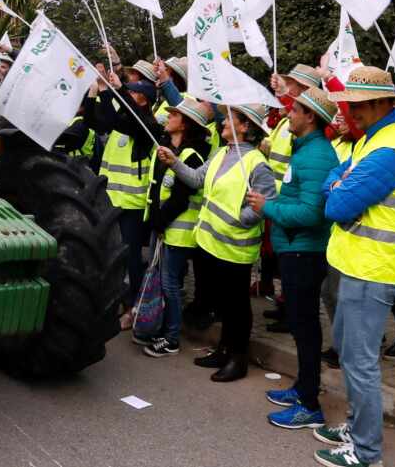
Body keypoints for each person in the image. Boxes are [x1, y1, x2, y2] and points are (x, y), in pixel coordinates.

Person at [311, 67, 395, 467]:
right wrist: (338, 183)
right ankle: (357, 427)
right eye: (348, 104)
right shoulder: (375, 138)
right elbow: (334, 180)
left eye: (357, 105)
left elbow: (336, 204)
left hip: (371, 270)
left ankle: (366, 451)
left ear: (381, 103)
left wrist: (338, 187)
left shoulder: (389, 149)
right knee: (351, 356)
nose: (350, 112)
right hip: (356, 263)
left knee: (359, 364)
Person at [163, 102, 277, 382]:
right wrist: (174, 163)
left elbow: (266, 203)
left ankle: (238, 359)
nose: (223, 122)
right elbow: (196, 180)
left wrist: (238, 220)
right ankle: (224, 350)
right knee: (225, 304)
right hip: (210, 244)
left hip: (234, 247)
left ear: (245, 126)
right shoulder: (221, 152)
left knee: (237, 307)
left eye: (230, 118)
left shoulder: (257, 163)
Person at [253, 85, 338, 429]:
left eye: (294, 110)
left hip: (304, 250)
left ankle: (310, 405)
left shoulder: (317, 155)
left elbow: (312, 213)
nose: (287, 114)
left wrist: (267, 207)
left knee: (305, 327)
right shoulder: (306, 150)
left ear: (311, 117)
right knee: (302, 326)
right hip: (294, 248)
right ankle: (304, 387)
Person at [85, 65, 161, 329]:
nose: (130, 94)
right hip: (112, 203)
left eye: (134, 93)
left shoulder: (148, 127)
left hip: (132, 206)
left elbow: (134, 120)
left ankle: (133, 307)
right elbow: (99, 121)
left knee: (131, 260)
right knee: (111, 256)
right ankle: (118, 299)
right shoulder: (123, 124)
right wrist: (100, 91)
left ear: (144, 100)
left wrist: (116, 90)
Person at [143, 98, 214, 357]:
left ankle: (171, 337)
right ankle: (159, 327)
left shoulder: (191, 155)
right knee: (161, 282)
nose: (168, 117)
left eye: (174, 114)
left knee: (170, 283)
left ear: (185, 124)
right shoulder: (166, 149)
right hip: (162, 227)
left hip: (177, 230)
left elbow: (181, 197)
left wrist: (160, 222)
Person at [267, 64, 323, 179]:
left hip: (287, 191)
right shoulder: (285, 121)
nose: (287, 88)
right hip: (275, 192)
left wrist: (282, 93)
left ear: (303, 87)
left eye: (289, 83)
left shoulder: (309, 122)